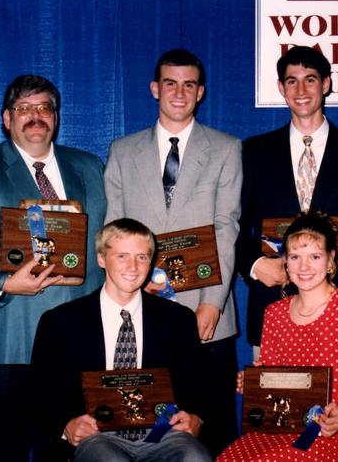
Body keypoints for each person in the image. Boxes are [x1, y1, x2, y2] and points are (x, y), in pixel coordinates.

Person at [0, 74, 106, 461]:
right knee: (2, 454)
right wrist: (3, 283)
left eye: (44, 108)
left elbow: (108, 239)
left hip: (72, 344)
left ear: (56, 117)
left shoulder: (89, 166)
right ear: (6, 118)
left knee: (65, 452)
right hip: (4, 340)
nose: (36, 116)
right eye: (24, 109)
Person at [104, 49, 242, 456]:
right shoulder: (123, 151)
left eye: (188, 85)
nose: (178, 93)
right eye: (169, 83)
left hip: (206, 310)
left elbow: (226, 226)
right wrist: (127, 295)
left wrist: (213, 303)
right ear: (154, 89)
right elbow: (114, 232)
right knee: (142, 427)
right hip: (141, 307)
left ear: (200, 92)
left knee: (210, 423)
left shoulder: (226, 148)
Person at [237, 45, 338, 358]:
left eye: (310, 80)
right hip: (271, 305)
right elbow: (233, 223)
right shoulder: (255, 152)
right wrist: (254, 263)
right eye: (292, 81)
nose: (301, 90)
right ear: (280, 88)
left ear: (326, 84)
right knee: (275, 403)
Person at [30, 218, 211, 462]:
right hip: (97, 434)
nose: (133, 267)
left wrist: (196, 417)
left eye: (142, 257)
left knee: (194, 457)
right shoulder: (60, 321)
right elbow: (40, 391)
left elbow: (198, 383)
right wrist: (66, 425)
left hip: (160, 431)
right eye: (122, 256)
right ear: (101, 259)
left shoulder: (178, 319)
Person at [219, 212, 338, 462]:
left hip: (337, 429)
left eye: (314, 256)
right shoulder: (274, 313)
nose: (304, 267)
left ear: (330, 259)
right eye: (295, 257)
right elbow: (274, 386)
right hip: (279, 428)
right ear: (285, 262)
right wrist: (252, 383)